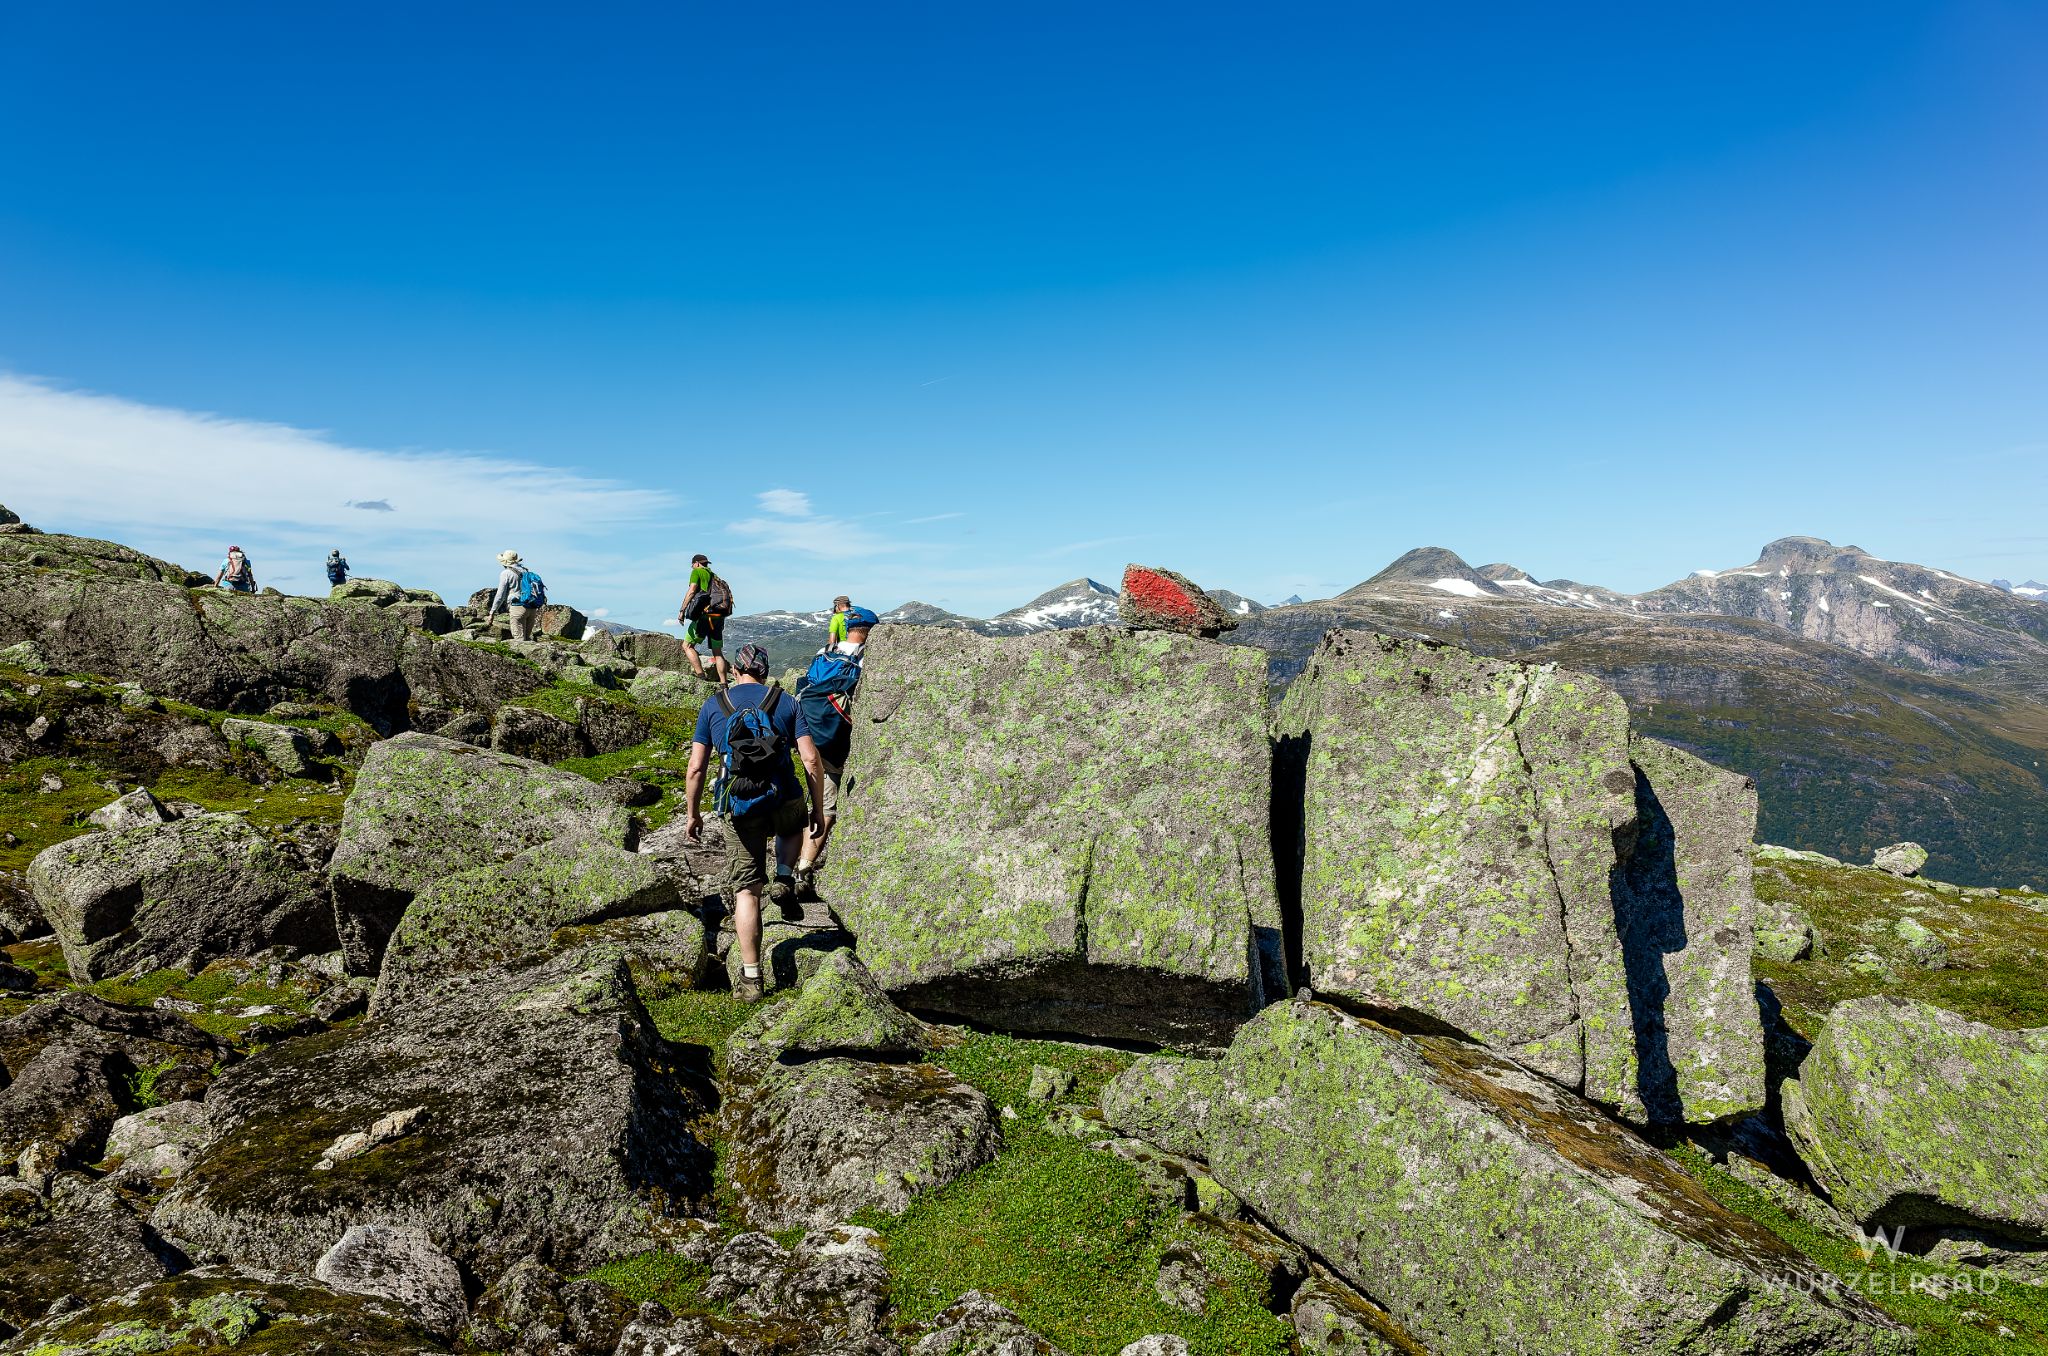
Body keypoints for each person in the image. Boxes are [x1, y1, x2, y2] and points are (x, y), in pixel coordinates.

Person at [685, 643, 824, 1001]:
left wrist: (693, 813)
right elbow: (810, 759)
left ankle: (751, 979)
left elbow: (697, 768)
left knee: (746, 892)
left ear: (735, 671)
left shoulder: (714, 705)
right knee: (792, 827)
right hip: (783, 795)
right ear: (765, 671)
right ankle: (782, 875)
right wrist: (819, 809)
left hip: (740, 803)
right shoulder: (787, 702)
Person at [795, 606, 876, 879]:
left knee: (818, 800)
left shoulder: (825, 653)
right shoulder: (867, 660)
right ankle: (805, 865)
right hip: (838, 742)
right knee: (828, 805)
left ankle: (795, 869)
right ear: (870, 632)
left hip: (810, 736)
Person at [677, 553, 731, 684]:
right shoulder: (714, 576)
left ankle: (701, 677)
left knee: (687, 645)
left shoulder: (697, 572)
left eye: (692, 565)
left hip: (705, 616)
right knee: (717, 652)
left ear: (696, 563)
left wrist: (682, 610)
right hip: (718, 616)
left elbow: (692, 590)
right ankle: (724, 684)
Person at [485, 549, 546, 640]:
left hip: (518, 607)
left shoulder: (506, 573)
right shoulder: (525, 571)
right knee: (527, 639)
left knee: (519, 641)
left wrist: (492, 612)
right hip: (532, 608)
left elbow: (500, 595)